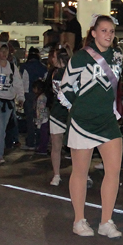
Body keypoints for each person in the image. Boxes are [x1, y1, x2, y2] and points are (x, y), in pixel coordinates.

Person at [61, 14, 123, 238]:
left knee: (114, 170)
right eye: (104, 30)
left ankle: (106, 221)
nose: (108, 35)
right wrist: (74, 108)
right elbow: (66, 86)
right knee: (80, 171)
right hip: (83, 121)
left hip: (107, 120)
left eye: (111, 31)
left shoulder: (118, 55)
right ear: (94, 33)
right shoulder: (80, 57)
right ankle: (79, 220)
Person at [48, 45, 71, 186]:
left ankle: (57, 175)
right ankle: (82, 175)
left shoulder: (57, 74)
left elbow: (61, 95)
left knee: (56, 147)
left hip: (59, 113)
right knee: (77, 148)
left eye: (54, 56)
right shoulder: (72, 72)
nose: (52, 59)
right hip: (69, 114)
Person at [20, 47, 48, 150]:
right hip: (41, 95)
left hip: (29, 94)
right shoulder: (43, 67)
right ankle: (40, 142)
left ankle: (30, 142)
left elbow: (23, 82)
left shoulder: (24, 67)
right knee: (41, 120)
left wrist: (21, 97)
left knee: (30, 120)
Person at [33, 79, 50, 154]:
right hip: (44, 119)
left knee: (43, 136)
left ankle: (42, 149)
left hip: (43, 120)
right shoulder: (43, 96)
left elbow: (41, 111)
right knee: (43, 135)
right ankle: (42, 148)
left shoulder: (41, 98)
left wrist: (38, 121)